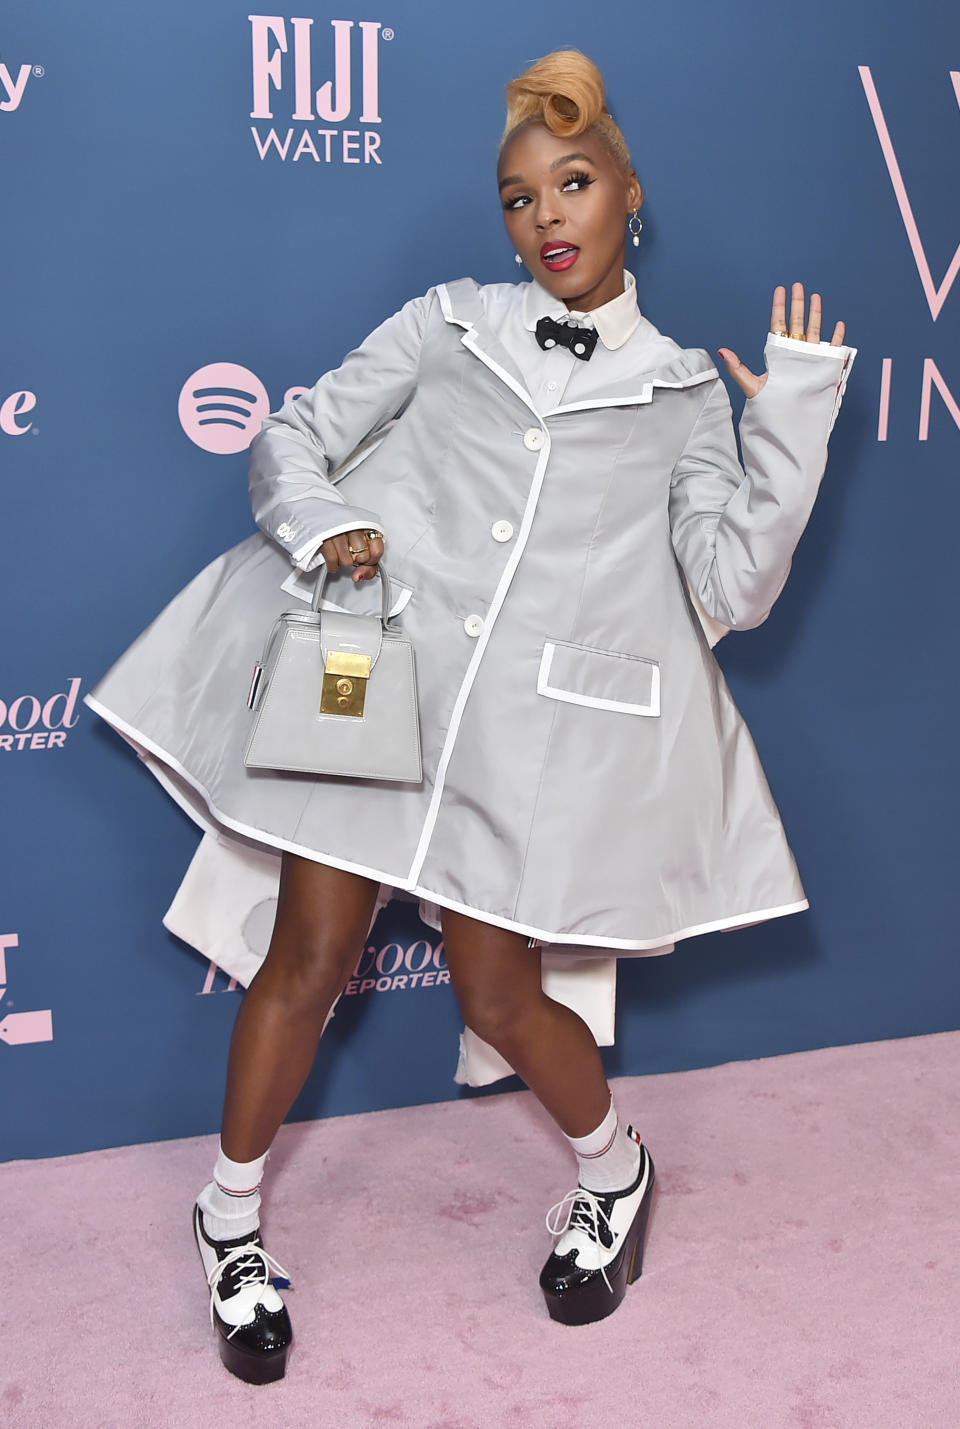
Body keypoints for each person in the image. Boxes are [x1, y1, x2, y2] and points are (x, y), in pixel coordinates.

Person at [85, 49, 855, 1382]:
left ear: (628, 195)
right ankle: (228, 1220)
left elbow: (732, 589)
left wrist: (787, 421)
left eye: (571, 183)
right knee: (306, 955)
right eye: (517, 197)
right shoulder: (446, 323)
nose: (545, 216)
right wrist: (331, 530)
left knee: (500, 990)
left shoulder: (681, 396)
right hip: (370, 691)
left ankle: (614, 1170)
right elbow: (292, 442)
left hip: (521, 743)